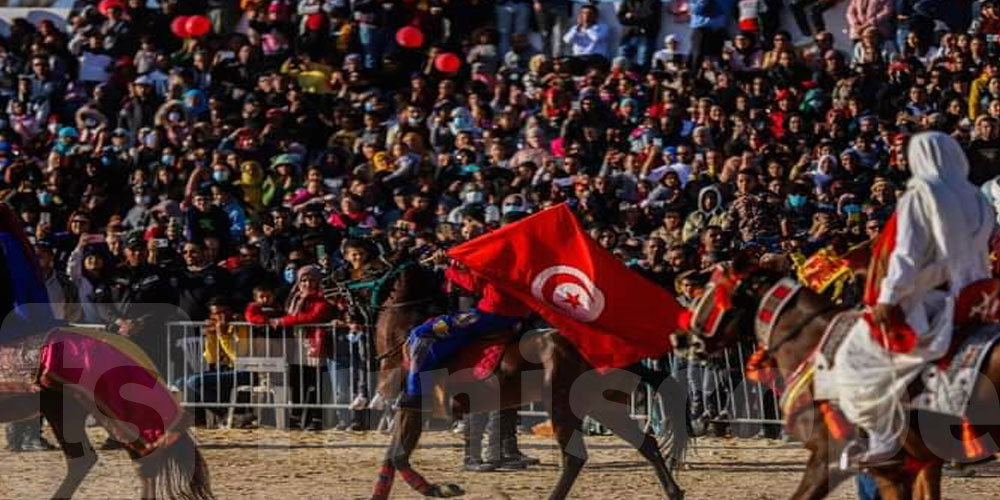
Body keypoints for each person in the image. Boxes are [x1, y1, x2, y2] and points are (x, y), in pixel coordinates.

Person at [832, 132, 995, 463]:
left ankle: (883, 438)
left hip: (930, 300)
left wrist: (887, 300)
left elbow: (907, 256)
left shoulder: (921, 194)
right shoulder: (978, 196)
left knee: (858, 358)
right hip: (974, 295)